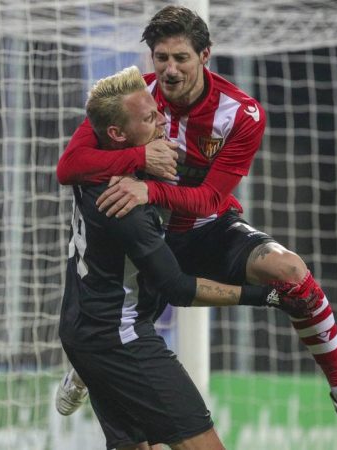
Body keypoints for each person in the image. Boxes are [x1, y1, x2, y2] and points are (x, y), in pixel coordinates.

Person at [56, 5, 337, 431]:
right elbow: (68, 167)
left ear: (205, 55)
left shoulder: (241, 114)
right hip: (151, 237)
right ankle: (83, 370)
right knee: (117, 321)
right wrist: (140, 157)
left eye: (181, 58)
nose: (170, 70)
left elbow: (209, 200)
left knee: (292, 272)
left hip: (207, 229)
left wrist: (151, 188)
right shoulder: (132, 102)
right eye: (162, 58)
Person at [59, 65, 311, 450]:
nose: (163, 121)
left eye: (157, 111)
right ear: (118, 134)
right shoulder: (125, 204)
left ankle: (80, 376)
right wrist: (270, 296)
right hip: (120, 338)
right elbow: (177, 288)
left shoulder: (94, 167)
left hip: (82, 328)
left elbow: (70, 166)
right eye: (149, 118)